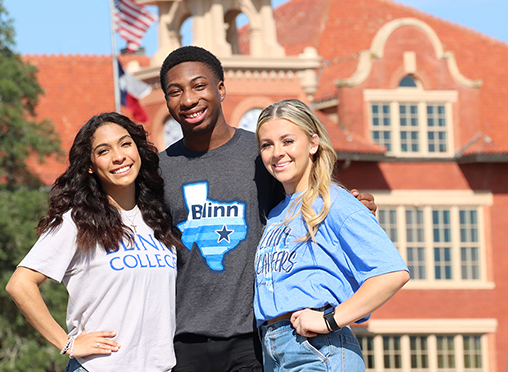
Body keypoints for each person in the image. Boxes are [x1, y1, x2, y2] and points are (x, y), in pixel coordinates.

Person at [157, 46, 377, 372]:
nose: (188, 99)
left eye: (199, 86)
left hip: (255, 340)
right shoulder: (159, 170)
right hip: (182, 342)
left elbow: (308, 194)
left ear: (220, 89)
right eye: (175, 92)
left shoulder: (262, 154)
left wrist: (353, 206)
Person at [5, 112, 183, 372]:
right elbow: (20, 284)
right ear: (90, 165)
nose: (119, 156)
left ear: (137, 150)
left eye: (125, 144)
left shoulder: (159, 219)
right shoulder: (77, 222)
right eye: (103, 151)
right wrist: (67, 344)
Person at [254, 99, 409, 371]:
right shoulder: (277, 212)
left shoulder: (335, 202)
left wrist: (330, 319)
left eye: (288, 141)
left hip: (318, 350)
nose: (277, 152)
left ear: (313, 144)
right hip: (275, 352)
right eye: (267, 145)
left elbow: (392, 273)